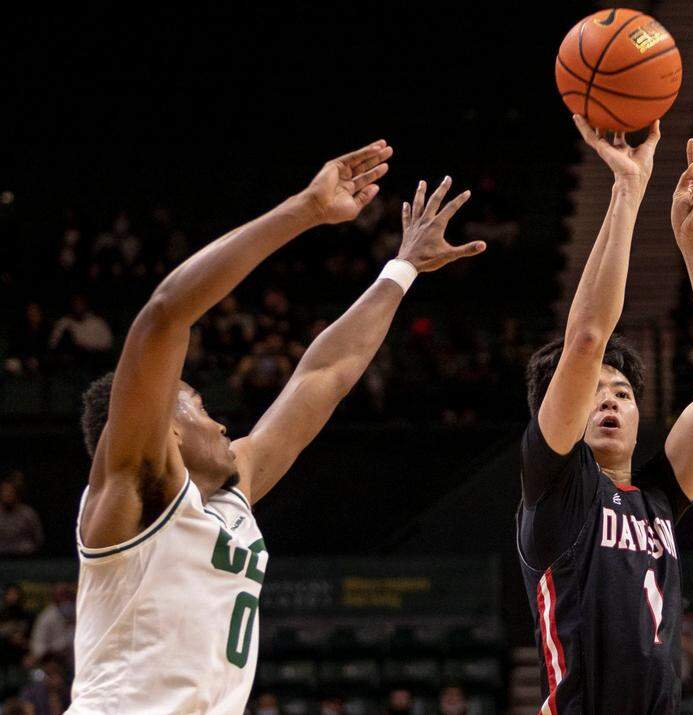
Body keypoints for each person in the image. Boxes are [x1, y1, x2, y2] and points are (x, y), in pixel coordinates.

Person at [69, 140, 485, 713]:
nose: (219, 423)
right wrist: (306, 210)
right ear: (157, 427)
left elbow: (325, 374)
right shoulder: (132, 491)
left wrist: (404, 267)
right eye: (195, 405)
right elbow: (165, 314)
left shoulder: (232, 491)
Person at [517, 119, 693, 713]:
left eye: (621, 392)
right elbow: (588, 336)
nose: (609, 400)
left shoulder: (659, 497)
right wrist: (629, 188)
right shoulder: (557, 489)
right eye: (594, 391)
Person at [0, 475, 43, 555]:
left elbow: (38, 538)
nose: (7, 495)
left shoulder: (28, 513)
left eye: (10, 492)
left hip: (24, 558)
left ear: (16, 494)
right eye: (4, 491)